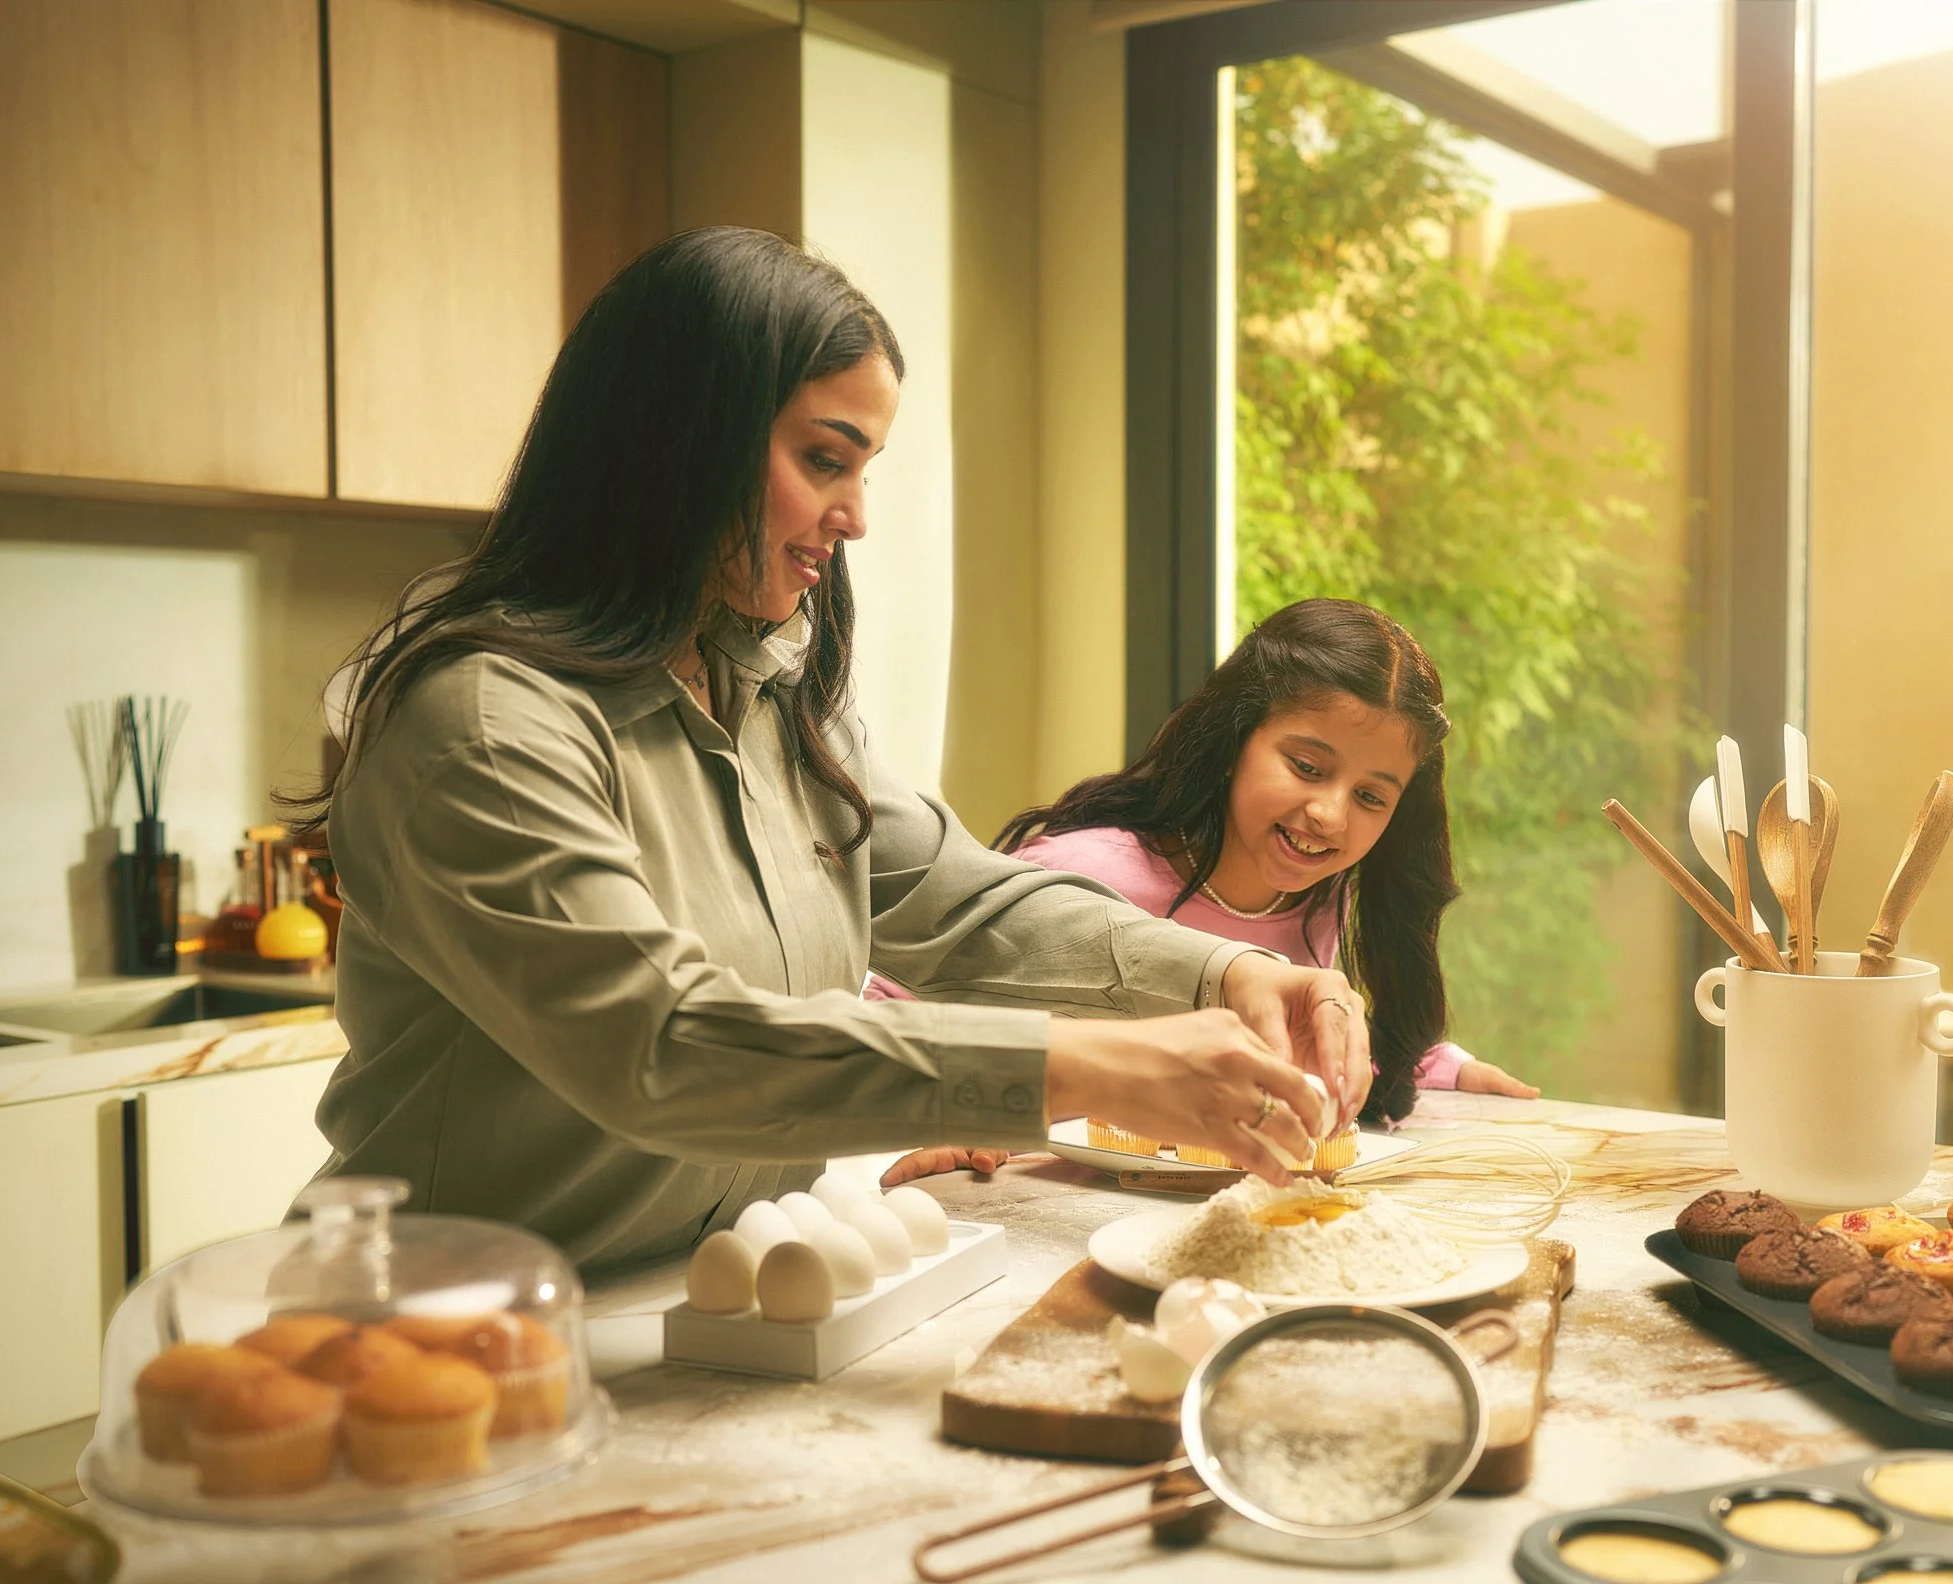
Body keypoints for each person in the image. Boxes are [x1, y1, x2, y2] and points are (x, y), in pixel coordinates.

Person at [298, 228, 1365, 1274]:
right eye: (822, 460)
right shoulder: (479, 723)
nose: (853, 516)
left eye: (864, 470)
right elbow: (661, 1046)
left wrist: (1228, 974)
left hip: (704, 1307)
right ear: (680, 441)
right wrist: (1086, 1068)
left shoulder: (769, 686)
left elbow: (963, 906)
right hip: (447, 1335)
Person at [879, 600, 1536, 1186]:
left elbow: (1302, 1039)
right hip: (1038, 1214)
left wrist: (1436, 1064)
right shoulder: (1085, 869)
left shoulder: (1319, 905)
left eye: (1370, 796)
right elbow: (889, 1008)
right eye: (1306, 767)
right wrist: (957, 1105)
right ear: (1233, 741)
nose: (1330, 815)